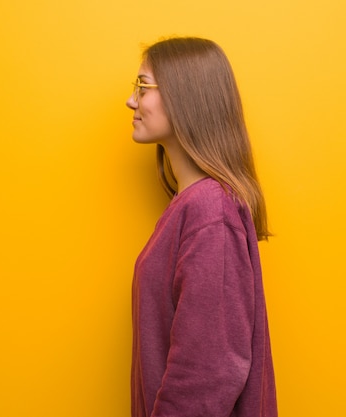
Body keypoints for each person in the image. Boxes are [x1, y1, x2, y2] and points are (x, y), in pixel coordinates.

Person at [126, 37, 277, 417]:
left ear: (183, 95)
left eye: (143, 87)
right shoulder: (195, 206)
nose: (131, 101)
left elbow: (209, 371)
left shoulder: (210, 209)